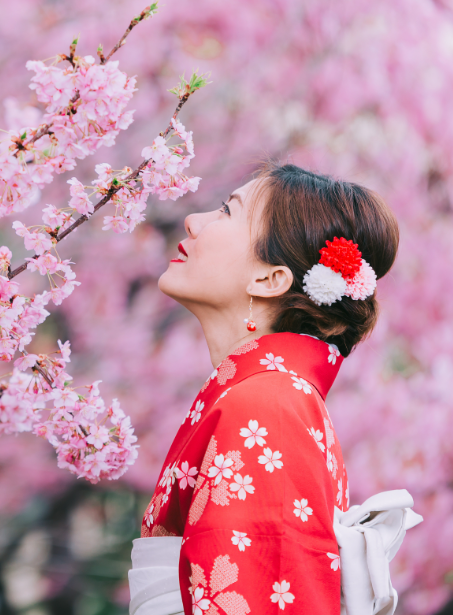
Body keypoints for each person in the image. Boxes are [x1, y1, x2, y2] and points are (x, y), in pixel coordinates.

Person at [127, 163, 418, 615]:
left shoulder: (269, 405)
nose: (193, 220)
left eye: (226, 211)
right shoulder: (269, 396)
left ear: (269, 279)